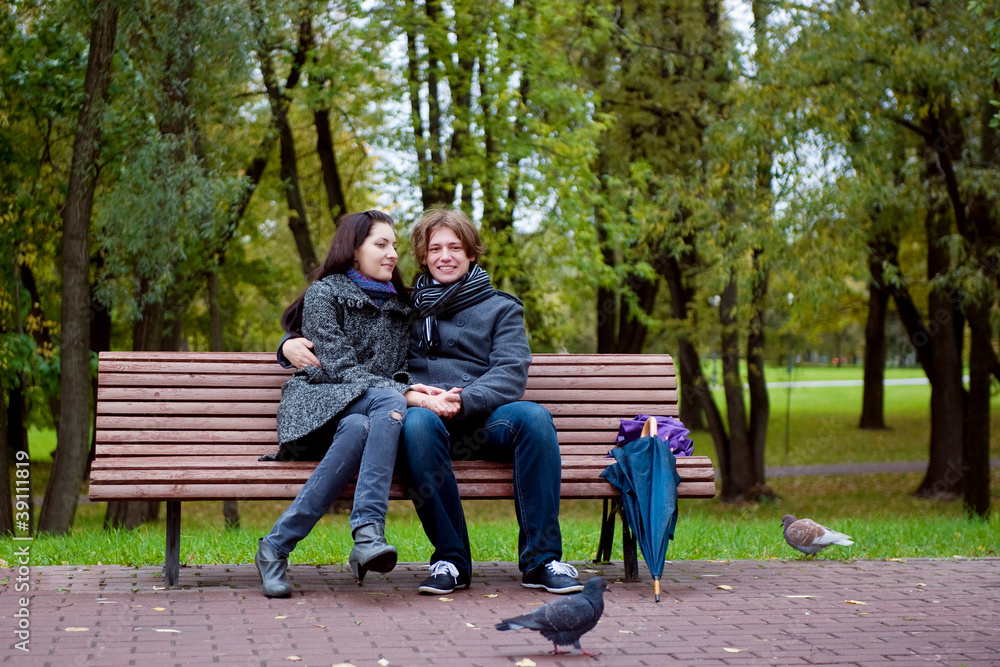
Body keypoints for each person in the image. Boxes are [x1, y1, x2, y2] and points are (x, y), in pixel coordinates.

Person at [281, 208, 583, 597]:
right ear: (423, 256)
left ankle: (542, 561)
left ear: (471, 253)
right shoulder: (401, 303)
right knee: (417, 424)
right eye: (435, 248)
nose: (446, 256)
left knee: (535, 418)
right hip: (423, 418)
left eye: (455, 247)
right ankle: (451, 561)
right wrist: (286, 344)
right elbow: (343, 332)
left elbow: (510, 372)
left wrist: (464, 399)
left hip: (481, 418)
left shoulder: (502, 308)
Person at [256, 210, 412, 598]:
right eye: (381, 244)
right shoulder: (325, 294)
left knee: (362, 425)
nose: (392, 253)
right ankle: (368, 532)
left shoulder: (402, 308)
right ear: (354, 250)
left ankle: (275, 546)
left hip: (366, 419)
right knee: (386, 400)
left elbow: (405, 369)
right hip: (317, 410)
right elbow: (341, 369)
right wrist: (403, 393)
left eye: (395, 245)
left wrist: (406, 387)